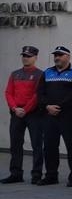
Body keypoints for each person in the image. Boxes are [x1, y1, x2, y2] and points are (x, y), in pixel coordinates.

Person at [35, 46, 72, 187]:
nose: (57, 57)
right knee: (49, 146)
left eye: (60, 55)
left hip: (68, 116)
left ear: (68, 57)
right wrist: (47, 106)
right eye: (55, 55)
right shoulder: (47, 72)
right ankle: (51, 176)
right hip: (49, 115)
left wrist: (58, 107)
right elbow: (40, 93)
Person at [2, 46, 44, 185]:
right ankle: (16, 174)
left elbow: (37, 95)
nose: (25, 58)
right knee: (15, 144)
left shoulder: (40, 75)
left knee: (37, 144)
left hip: (33, 114)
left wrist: (25, 109)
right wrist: (15, 108)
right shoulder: (15, 74)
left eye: (29, 56)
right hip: (16, 113)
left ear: (35, 57)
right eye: (24, 56)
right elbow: (8, 92)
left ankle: (36, 174)